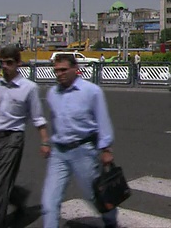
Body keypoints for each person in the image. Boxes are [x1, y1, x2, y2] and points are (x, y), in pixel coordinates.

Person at [0, 45, 49, 228]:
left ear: (18, 63)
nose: (5, 66)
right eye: (2, 62)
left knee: (1, 184)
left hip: (13, 139)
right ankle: (16, 196)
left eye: (9, 63)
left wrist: (45, 141)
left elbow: (38, 117)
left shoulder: (29, 88)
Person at [41, 54, 117, 228]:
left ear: (76, 69)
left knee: (95, 196)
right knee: (49, 202)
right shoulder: (53, 93)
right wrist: (48, 142)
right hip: (59, 153)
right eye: (56, 71)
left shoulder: (91, 91)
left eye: (63, 70)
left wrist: (106, 150)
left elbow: (102, 121)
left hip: (83, 152)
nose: (59, 74)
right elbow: (55, 121)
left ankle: (110, 220)